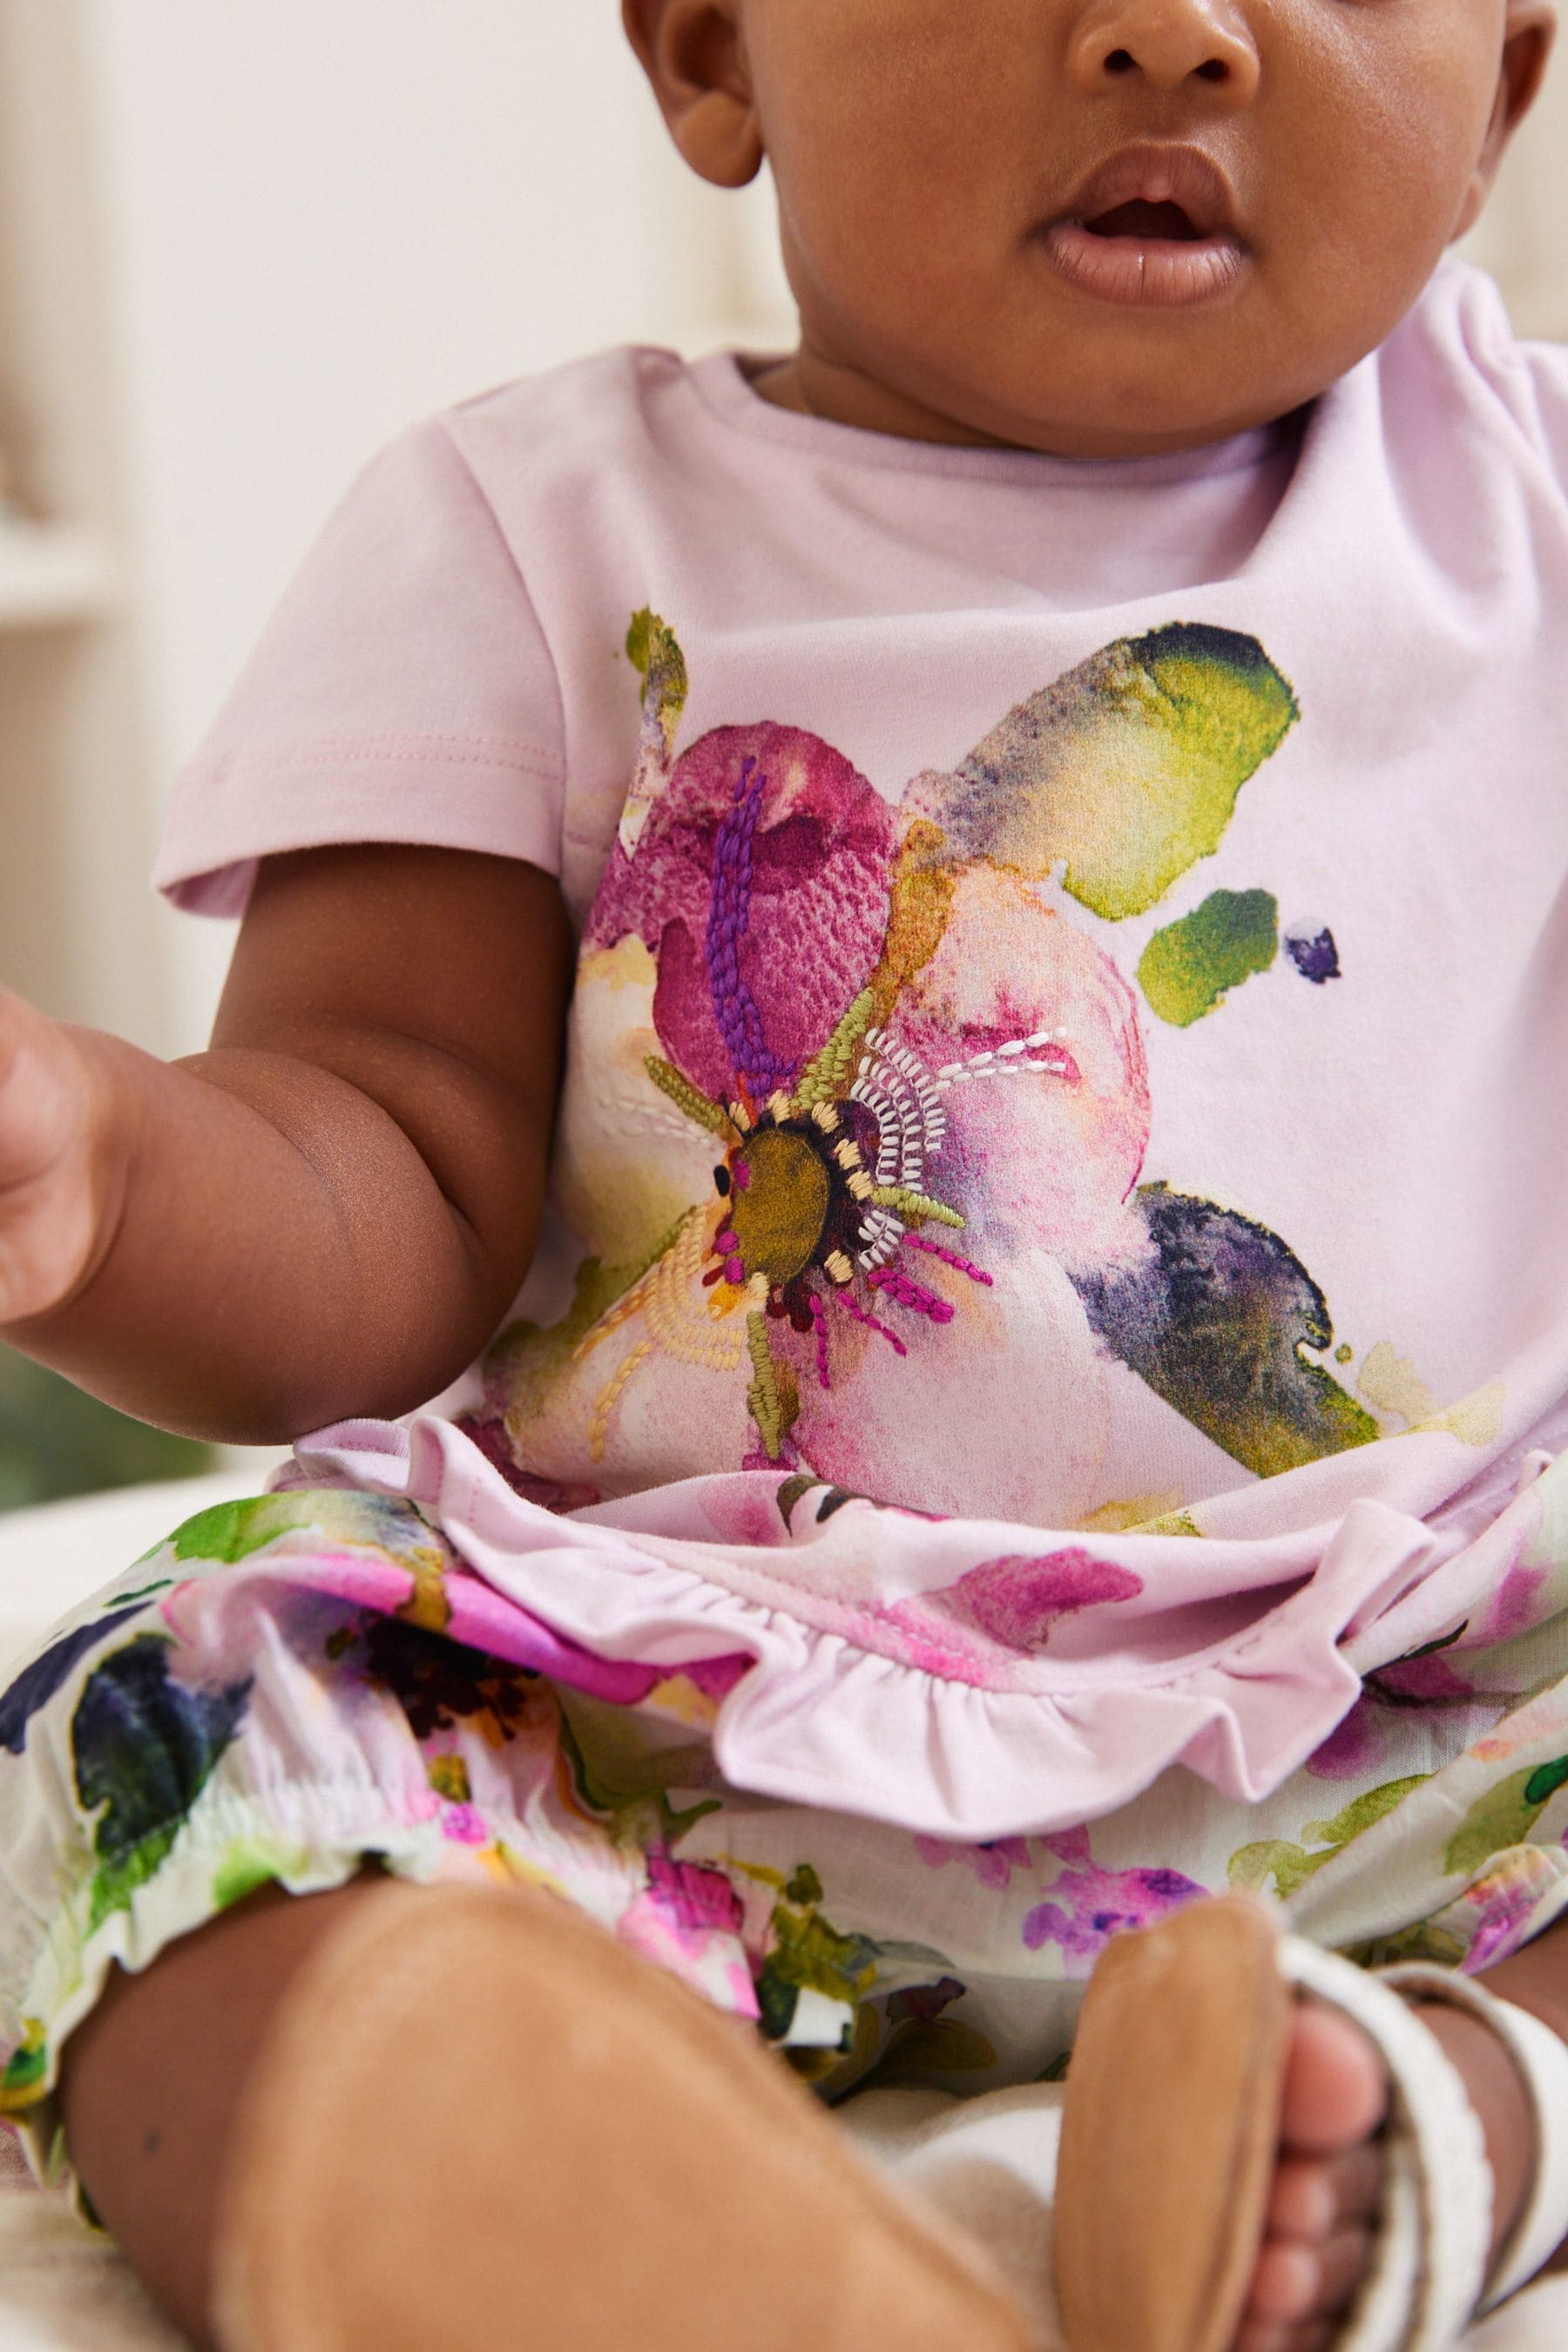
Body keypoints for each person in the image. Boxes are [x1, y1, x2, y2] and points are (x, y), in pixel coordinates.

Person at [0, 1, 1565, 2346]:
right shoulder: (529, 533)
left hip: (1432, 1700)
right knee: (160, 1726)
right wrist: (105, 1174)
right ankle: (587, 2234)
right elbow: (383, 1169)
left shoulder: (1537, 495)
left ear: (1507, 95)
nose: (1175, 32)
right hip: (686, 1737)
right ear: (711, 51)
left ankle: (1426, 2119)